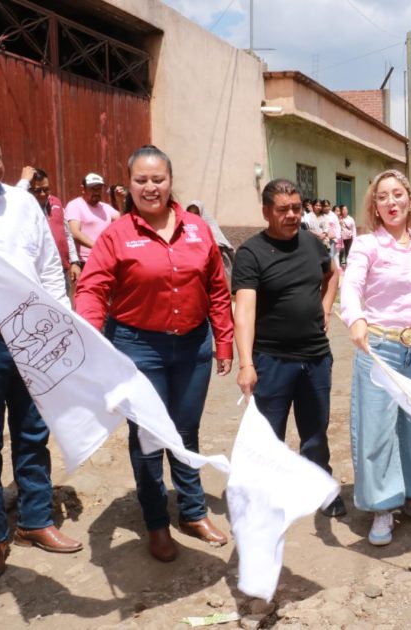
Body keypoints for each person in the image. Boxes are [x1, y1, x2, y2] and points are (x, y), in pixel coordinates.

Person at [75, 145, 233, 562]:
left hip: (193, 346)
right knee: (148, 436)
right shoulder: (116, 235)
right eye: (141, 180)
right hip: (137, 347)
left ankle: (193, 512)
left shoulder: (197, 229)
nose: (150, 187)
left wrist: (224, 341)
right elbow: (92, 288)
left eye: (158, 179)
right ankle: (156, 522)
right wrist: (89, 334)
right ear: (128, 185)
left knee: (185, 431)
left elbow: (217, 289)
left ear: (170, 181)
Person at [341, 170, 411, 546]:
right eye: (382, 196)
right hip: (379, 348)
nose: (391, 202)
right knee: (377, 427)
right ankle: (383, 505)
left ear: (409, 200)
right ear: (374, 206)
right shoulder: (366, 245)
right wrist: (356, 319)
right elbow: (351, 286)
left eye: (397, 194)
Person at [231, 179, 345, 518]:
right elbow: (244, 311)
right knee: (269, 436)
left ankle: (320, 488)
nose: (292, 215)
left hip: (316, 358)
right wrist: (246, 364)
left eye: (296, 207)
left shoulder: (312, 244)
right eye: (283, 209)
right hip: (272, 361)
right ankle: (267, 498)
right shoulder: (251, 253)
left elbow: (332, 274)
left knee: (316, 432)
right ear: (266, 212)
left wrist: (325, 307)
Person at [0, 140, 83, 579]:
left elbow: (49, 266)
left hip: (30, 337)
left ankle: (34, 521)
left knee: (32, 433)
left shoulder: (22, 204)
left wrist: (60, 324)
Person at [16, 166, 82, 293]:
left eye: (46, 189)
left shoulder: (56, 203)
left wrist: (75, 261)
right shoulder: (22, 207)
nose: (43, 194)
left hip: (60, 270)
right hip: (36, 271)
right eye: (37, 190)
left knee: (61, 303)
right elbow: (14, 202)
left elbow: (67, 234)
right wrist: (24, 182)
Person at [64, 172, 119, 264]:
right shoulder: (75, 205)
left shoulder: (105, 208)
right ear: (83, 189)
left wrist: (120, 200)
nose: (96, 192)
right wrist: (98, 246)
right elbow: (74, 233)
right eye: (93, 189)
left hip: (105, 260)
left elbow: (124, 220)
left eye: (99, 189)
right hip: (85, 261)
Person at [185, 201, 236, 285]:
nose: (193, 217)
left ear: (200, 214)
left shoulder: (210, 225)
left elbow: (218, 243)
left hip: (211, 263)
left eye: (196, 214)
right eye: (190, 214)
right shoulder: (186, 225)